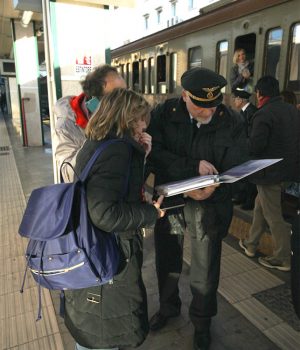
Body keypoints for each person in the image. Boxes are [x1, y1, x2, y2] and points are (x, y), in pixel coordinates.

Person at [147, 67, 248, 350]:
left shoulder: (232, 121)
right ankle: (168, 308)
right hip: (174, 203)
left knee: (206, 267)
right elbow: (154, 153)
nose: (208, 112)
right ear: (184, 96)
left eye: (214, 106)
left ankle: (202, 323)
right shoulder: (165, 114)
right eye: (201, 106)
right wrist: (192, 171)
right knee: (167, 256)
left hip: (210, 206)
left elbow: (239, 166)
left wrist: (215, 187)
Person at [63, 88, 165, 350]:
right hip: (108, 255)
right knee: (103, 333)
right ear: (129, 119)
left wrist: (141, 156)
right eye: (142, 119)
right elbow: (105, 214)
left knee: (92, 331)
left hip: (90, 249)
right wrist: (150, 213)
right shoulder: (117, 151)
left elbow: (119, 190)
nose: (145, 124)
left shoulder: (97, 142)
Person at [239, 76, 300, 271]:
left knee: (273, 215)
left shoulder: (263, 114)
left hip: (268, 173)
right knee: (261, 205)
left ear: (259, 93)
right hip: (288, 171)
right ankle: (251, 243)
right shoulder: (291, 110)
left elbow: (256, 146)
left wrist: (241, 147)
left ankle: (283, 257)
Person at [53, 64, 126, 182]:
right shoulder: (66, 126)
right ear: (95, 102)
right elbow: (69, 175)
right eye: (116, 98)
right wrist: (96, 139)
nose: (123, 103)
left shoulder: (120, 116)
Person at [232, 88, 258, 210]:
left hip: (250, 149)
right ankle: (242, 197)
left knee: (250, 177)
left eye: (235, 98)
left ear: (241, 100)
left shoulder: (251, 112)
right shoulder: (244, 111)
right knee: (243, 175)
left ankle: (249, 201)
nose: (234, 101)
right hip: (243, 148)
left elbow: (251, 132)